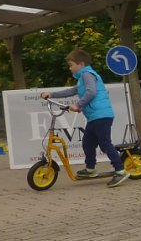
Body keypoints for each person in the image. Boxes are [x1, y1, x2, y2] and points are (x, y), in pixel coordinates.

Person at [40, 48, 130, 188]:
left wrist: (78, 105)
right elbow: (71, 91)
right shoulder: (82, 78)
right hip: (94, 117)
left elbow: (91, 92)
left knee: (105, 143)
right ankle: (90, 169)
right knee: (87, 142)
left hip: (102, 115)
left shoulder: (87, 74)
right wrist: (51, 94)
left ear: (80, 64)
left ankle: (120, 170)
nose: (70, 68)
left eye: (71, 65)